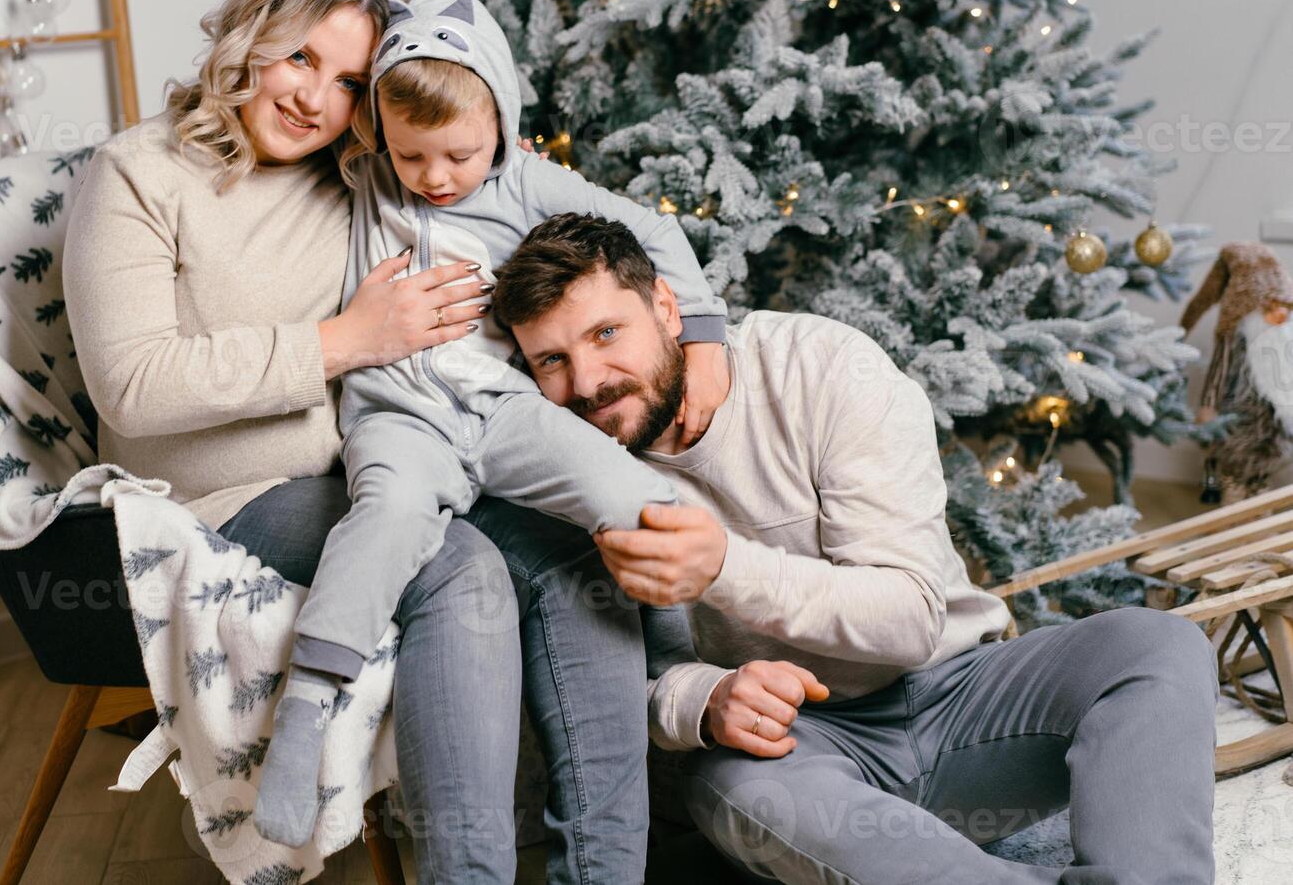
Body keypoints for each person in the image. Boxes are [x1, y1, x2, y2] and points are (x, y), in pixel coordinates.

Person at [62, 0, 658, 884]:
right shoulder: (137, 174)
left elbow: (499, 187)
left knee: (571, 559)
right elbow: (132, 384)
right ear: (247, 40)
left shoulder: (370, 176)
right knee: (458, 571)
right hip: (231, 492)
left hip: (392, 457)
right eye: (300, 57)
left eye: (346, 81)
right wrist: (344, 341)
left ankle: (607, 871)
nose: (313, 97)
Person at [490, 211, 1220, 884]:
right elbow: (598, 689)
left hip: (960, 696)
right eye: (551, 361)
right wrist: (701, 699)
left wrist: (722, 569)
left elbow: (908, 620)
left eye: (605, 334)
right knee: (735, 789)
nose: (585, 382)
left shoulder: (818, 367)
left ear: (667, 311)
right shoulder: (567, 471)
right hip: (802, 756)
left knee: (1158, 645)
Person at [251, 0, 730, 848]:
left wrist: (702, 334)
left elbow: (652, 233)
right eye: (413, 156)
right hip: (399, 418)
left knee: (642, 497)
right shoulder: (366, 175)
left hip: (505, 412)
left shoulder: (527, 181)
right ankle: (304, 716)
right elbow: (293, 127)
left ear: (500, 121)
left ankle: (671, 665)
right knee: (386, 520)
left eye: (458, 154)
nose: (435, 177)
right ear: (380, 138)